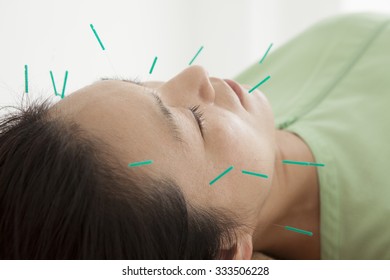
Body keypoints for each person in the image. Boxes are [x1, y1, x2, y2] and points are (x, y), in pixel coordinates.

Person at [0, 12, 389, 260]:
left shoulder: (338, 44)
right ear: (226, 256)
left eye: (141, 84)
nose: (196, 74)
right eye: (194, 121)